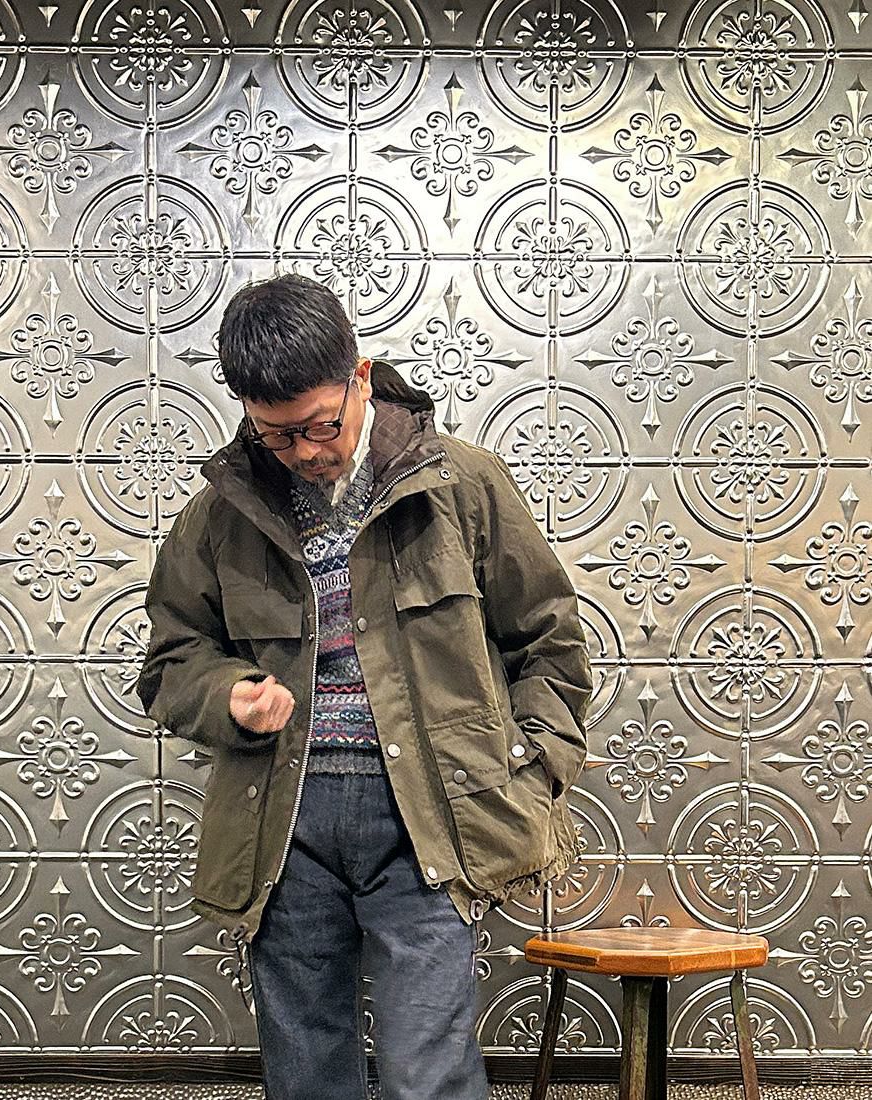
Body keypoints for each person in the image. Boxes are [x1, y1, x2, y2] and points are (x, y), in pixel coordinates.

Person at [136, 273, 592, 1100]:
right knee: (306, 1071)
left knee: (429, 1071)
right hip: (283, 818)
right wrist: (228, 694)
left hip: (430, 810)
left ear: (359, 377)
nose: (308, 451)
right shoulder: (221, 514)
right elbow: (171, 659)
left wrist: (533, 769)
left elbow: (549, 639)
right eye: (278, 435)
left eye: (322, 424)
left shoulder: (461, 484)